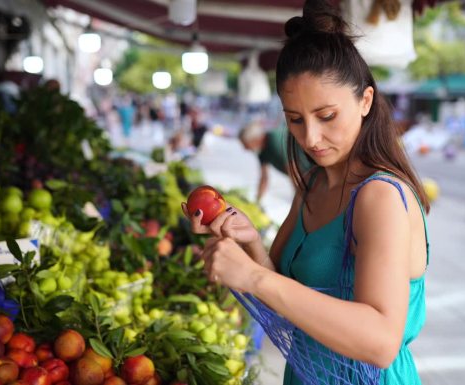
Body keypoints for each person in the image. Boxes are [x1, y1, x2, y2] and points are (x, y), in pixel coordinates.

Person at [182, 1, 430, 384]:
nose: (310, 138)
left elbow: (380, 342)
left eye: (327, 116)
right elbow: (287, 300)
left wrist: (253, 276)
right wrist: (250, 246)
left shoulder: (380, 196)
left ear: (365, 101)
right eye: (295, 120)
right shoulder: (314, 183)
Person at [238, 120, 292, 202]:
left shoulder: (274, 141)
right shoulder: (261, 151)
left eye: (245, 144)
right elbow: (264, 178)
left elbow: (293, 170)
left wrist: (300, 197)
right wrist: (257, 201)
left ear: (254, 139)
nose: (245, 149)